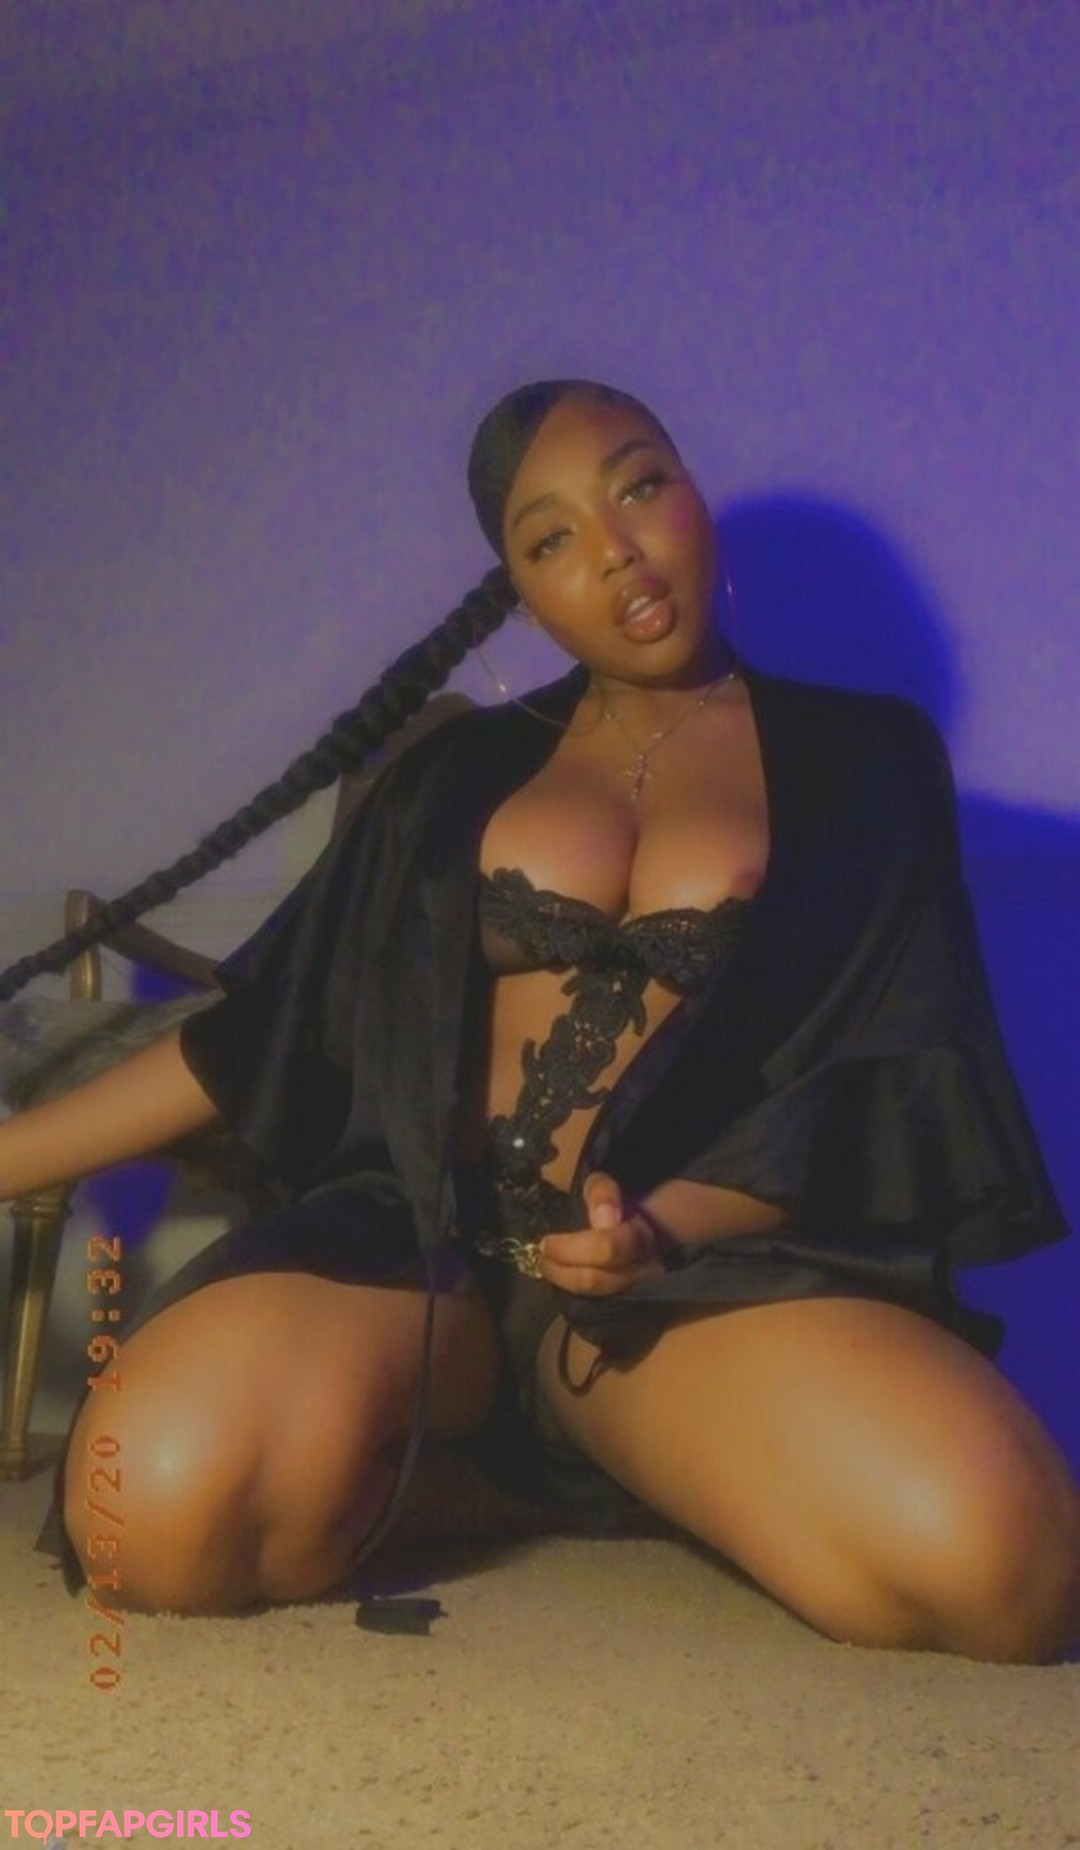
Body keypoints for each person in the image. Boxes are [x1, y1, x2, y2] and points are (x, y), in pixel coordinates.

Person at [1, 378, 1077, 1662]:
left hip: (682, 1284)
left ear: (693, 494)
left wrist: (660, 1227)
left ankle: (587, 1450)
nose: (614, 548)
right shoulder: (450, 776)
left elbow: (886, 1079)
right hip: (424, 1255)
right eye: (551, 536)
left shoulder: (868, 758)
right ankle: (500, 1472)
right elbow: (260, 1034)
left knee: (1008, 1568)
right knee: (151, 1519)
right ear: (518, 587)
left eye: (640, 485)